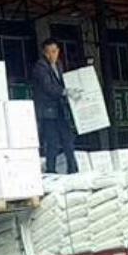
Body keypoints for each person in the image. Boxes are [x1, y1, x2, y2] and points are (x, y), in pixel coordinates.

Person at [31, 38, 79, 174]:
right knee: (52, 141)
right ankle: (51, 170)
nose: (51, 55)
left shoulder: (59, 65)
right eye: (48, 52)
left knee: (68, 139)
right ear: (44, 53)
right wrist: (65, 92)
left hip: (60, 109)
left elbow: (62, 82)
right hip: (47, 111)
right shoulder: (40, 67)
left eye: (54, 51)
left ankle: (73, 169)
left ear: (58, 51)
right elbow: (48, 87)